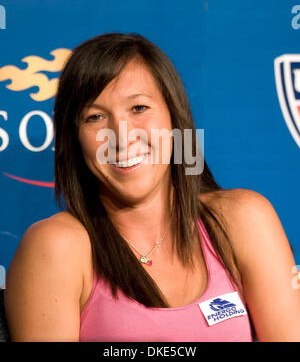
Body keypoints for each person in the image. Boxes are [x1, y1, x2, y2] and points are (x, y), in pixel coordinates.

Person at [4, 33, 300, 342]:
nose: (122, 135)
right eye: (95, 117)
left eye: (139, 108)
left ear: (175, 120)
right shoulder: (56, 246)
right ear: (75, 141)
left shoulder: (244, 219)